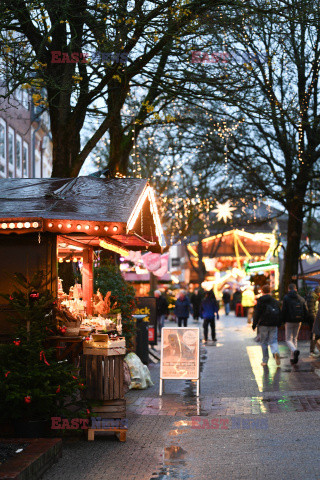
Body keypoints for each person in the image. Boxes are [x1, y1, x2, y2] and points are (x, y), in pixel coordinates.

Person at [252, 284, 281, 366]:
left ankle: (265, 360)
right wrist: (279, 323)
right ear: (270, 291)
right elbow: (279, 312)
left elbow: (257, 313)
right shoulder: (274, 300)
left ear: (262, 291)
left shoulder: (260, 300)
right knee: (273, 340)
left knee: (264, 342)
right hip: (273, 324)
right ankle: (275, 352)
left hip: (263, 324)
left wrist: (254, 324)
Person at [282, 283, 308, 365]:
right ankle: (293, 358)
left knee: (288, 339)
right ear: (296, 289)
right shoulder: (301, 298)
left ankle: (294, 351)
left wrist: (282, 320)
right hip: (298, 321)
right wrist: (304, 320)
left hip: (289, 321)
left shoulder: (286, 298)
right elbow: (306, 310)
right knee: (295, 339)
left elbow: (284, 310)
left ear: (289, 289)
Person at [306, 286, 320, 356]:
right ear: (318, 292)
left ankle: (313, 350)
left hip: (314, 317)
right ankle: (312, 351)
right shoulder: (313, 298)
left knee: (316, 334)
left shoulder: (313, 297)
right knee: (314, 334)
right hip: (313, 318)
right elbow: (312, 310)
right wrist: (315, 319)